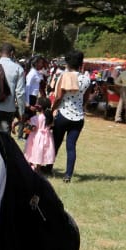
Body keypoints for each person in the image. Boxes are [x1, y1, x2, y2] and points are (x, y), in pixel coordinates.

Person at [49, 50, 92, 182]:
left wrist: (52, 109)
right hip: (78, 117)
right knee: (71, 146)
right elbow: (86, 98)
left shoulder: (65, 76)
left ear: (68, 62)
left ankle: (48, 168)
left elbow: (59, 97)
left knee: (55, 143)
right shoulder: (86, 79)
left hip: (63, 114)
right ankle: (68, 175)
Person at [0, 43, 26, 136]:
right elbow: (20, 93)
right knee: (4, 139)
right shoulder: (18, 68)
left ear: (0, 53)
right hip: (8, 108)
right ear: (12, 53)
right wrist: (21, 112)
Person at [24, 97, 56, 173]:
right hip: (47, 137)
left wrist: (27, 126)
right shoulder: (49, 117)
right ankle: (38, 168)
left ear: (39, 107)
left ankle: (30, 166)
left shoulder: (36, 118)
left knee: (32, 150)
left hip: (36, 137)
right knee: (41, 152)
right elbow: (52, 125)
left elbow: (33, 128)